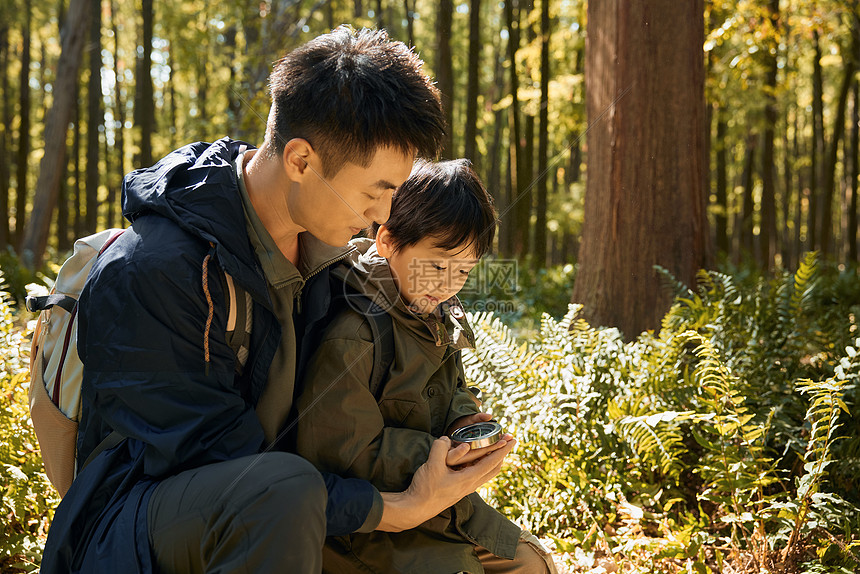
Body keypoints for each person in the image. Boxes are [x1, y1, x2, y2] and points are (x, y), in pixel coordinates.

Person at [40, 27, 515, 574]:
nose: (385, 214)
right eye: (374, 192)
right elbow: (229, 465)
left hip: (300, 508)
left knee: (516, 563)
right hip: (136, 531)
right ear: (300, 160)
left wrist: (453, 441)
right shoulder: (158, 272)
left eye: (395, 192)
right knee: (281, 491)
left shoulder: (329, 254)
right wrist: (402, 508)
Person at [293, 159, 557, 573]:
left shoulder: (434, 313)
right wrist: (442, 453)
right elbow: (344, 451)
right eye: (436, 265)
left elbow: (450, 388)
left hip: (440, 506)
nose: (448, 284)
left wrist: (463, 422)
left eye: (464, 271)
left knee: (533, 564)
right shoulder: (357, 334)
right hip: (368, 527)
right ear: (387, 241)